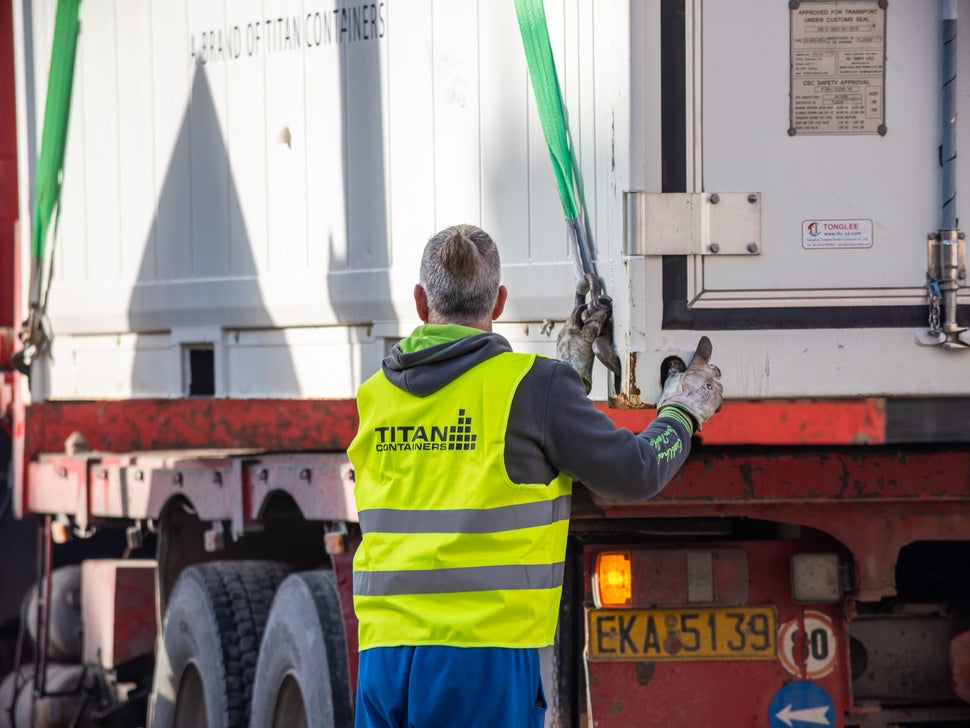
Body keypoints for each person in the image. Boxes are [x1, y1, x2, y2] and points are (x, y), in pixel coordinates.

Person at [348, 224, 723, 728]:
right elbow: (633, 471)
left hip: (383, 658)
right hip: (481, 656)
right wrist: (683, 410)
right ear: (499, 301)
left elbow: (476, 453)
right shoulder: (531, 389)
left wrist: (568, 373)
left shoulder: (375, 396)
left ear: (420, 302)